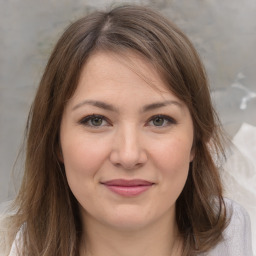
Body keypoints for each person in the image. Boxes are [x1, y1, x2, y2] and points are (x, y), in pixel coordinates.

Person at [1, 4, 253, 256]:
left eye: (158, 120)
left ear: (197, 141)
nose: (129, 156)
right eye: (96, 120)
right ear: (56, 141)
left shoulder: (236, 238)